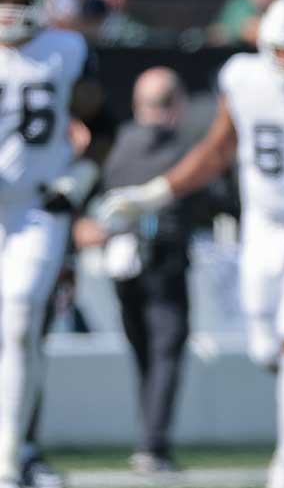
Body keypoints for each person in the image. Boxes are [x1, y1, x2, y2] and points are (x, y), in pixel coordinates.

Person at [93, 0, 284, 488]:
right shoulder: (244, 79)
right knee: (264, 347)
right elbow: (216, 151)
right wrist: (154, 194)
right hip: (264, 225)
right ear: (267, 46)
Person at [0, 0, 98, 488]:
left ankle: (9, 460)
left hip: (36, 208)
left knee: (18, 324)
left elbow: (103, 124)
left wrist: (78, 181)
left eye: (19, 0)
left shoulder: (65, 51)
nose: (10, 11)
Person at [73, 68, 193, 473]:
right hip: (162, 259)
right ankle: (153, 445)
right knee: (165, 353)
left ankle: (149, 439)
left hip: (120, 263)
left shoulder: (119, 142)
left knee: (145, 354)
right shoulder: (181, 145)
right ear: (175, 104)